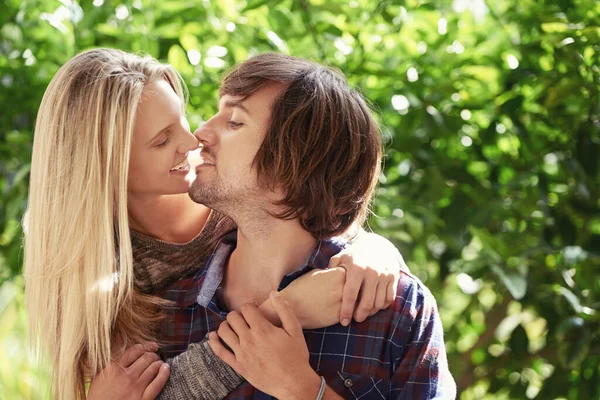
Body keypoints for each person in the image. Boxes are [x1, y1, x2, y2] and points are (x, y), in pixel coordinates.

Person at [23, 48, 405, 400]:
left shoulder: (224, 188)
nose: (194, 141)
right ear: (105, 168)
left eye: (182, 120)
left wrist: (375, 250)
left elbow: (302, 200)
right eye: (161, 141)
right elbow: (164, 390)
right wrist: (280, 312)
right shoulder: (105, 284)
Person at [156, 53, 457, 398]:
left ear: (294, 161)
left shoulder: (396, 309)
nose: (201, 132)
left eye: (235, 122)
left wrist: (302, 389)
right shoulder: (164, 308)